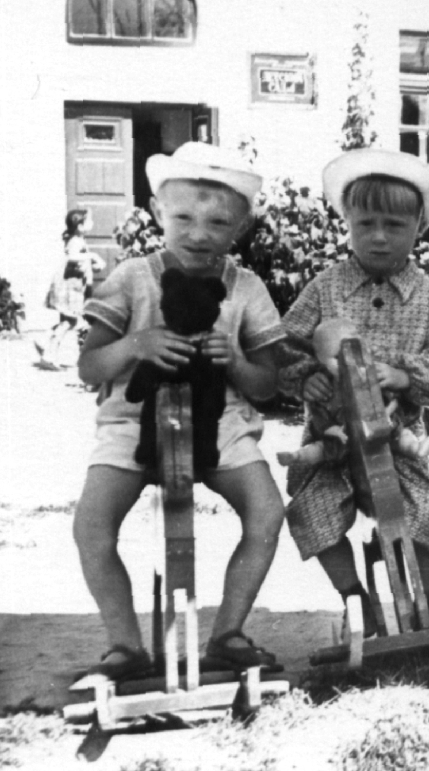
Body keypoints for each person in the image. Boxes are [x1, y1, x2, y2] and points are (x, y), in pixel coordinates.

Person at [73, 141, 286, 680]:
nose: (199, 234)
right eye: (184, 218)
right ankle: (125, 645)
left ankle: (228, 633)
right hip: (132, 421)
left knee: (266, 511)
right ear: (157, 211)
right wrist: (135, 345)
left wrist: (235, 360)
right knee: (91, 526)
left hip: (221, 422)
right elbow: (90, 367)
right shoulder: (132, 277)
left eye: (218, 223)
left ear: (240, 227)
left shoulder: (246, 288)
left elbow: (267, 386)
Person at [278, 149, 429, 637]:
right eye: (365, 224)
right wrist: (305, 375)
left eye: (394, 225)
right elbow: (284, 345)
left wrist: (406, 376)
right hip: (333, 440)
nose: (379, 236)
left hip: (395, 436)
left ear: (419, 227)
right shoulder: (326, 287)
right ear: (348, 224)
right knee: (311, 508)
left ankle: (428, 600)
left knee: (425, 506)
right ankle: (356, 600)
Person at [275, 317, 429, 468]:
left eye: (357, 354)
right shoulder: (324, 387)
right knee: (321, 449)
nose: (348, 364)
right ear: (321, 360)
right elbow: (319, 417)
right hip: (344, 437)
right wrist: (333, 430)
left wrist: (387, 412)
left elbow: (395, 401)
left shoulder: (376, 374)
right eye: (337, 358)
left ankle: (417, 448)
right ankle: (297, 456)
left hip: (381, 434)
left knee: (402, 436)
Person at [37, 208, 106, 370]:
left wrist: (93, 266)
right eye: (89, 220)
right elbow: (72, 257)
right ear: (80, 226)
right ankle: (49, 355)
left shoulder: (79, 239)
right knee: (71, 321)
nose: (92, 223)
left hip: (74, 287)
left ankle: (46, 341)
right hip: (70, 288)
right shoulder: (75, 241)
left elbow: (80, 263)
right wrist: (93, 256)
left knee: (68, 320)